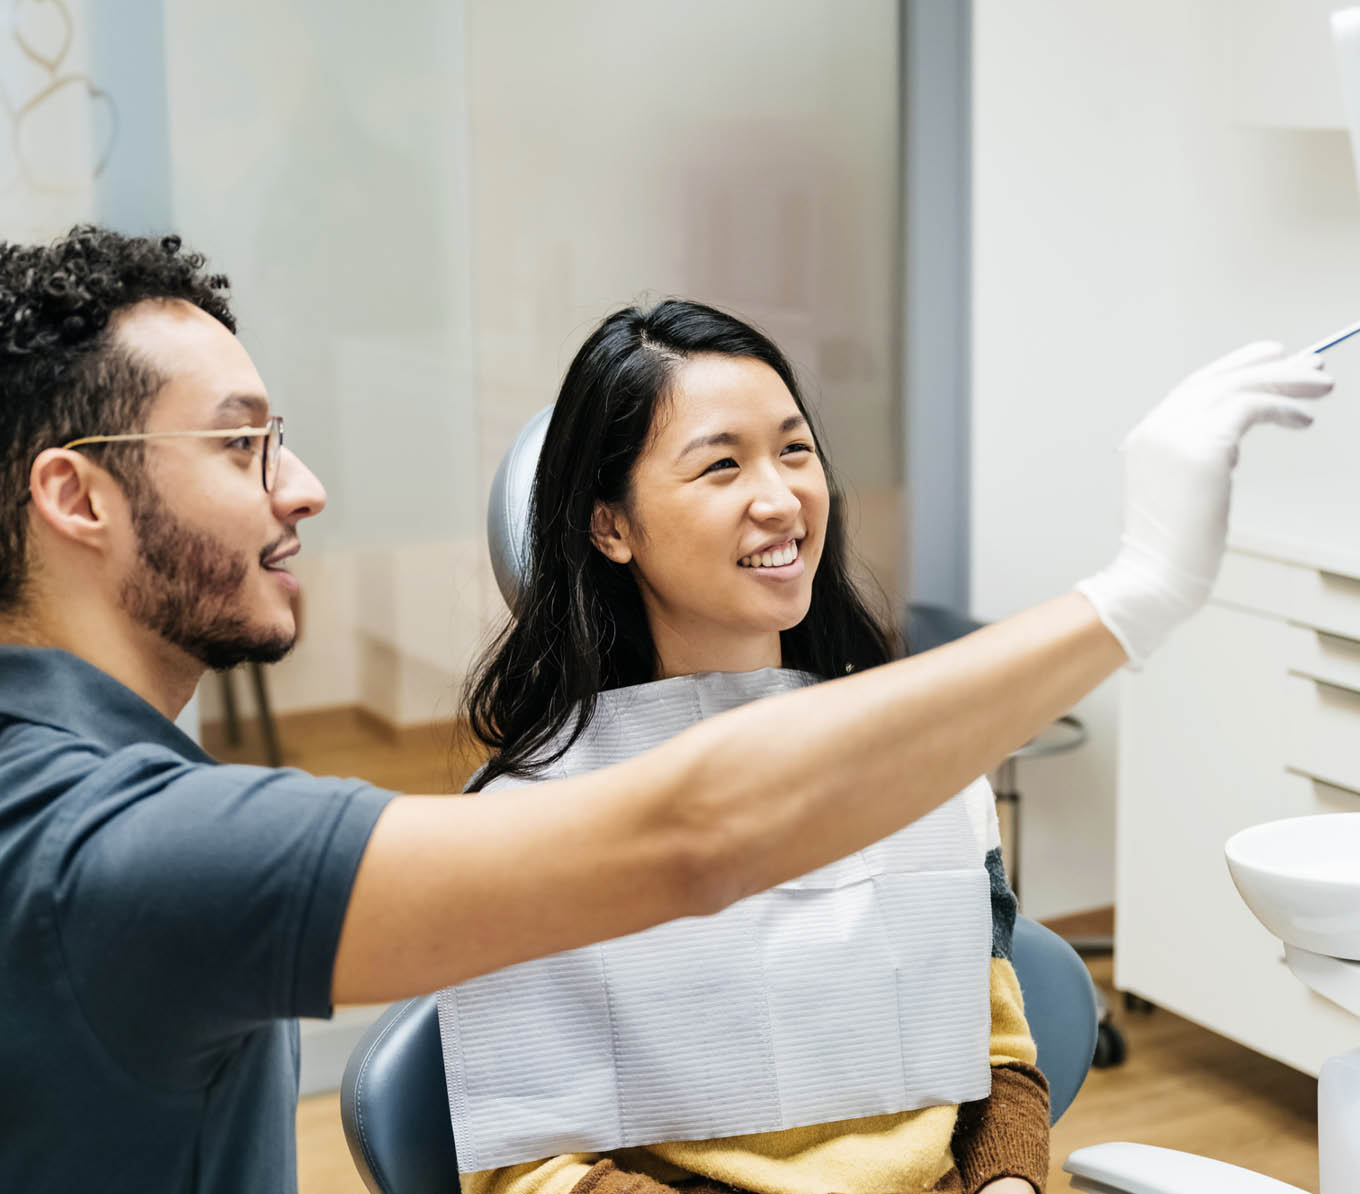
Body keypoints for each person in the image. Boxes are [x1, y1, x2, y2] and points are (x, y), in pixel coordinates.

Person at [0, 226, 1329, 1194]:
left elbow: (992, 1047)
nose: (307, 488)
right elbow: (694, 835)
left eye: (796, 448)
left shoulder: (108, 789)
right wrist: (1135, 593)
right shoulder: (120, 846)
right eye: (245, 444)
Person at [451, 299, 1048, 1194]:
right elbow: (530, 1170)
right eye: (722, 465)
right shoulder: (531, 820)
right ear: (610, 525)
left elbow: (999, 1063)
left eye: (795, 450)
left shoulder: (917, 766)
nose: (780, 498)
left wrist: (1007, 1186)